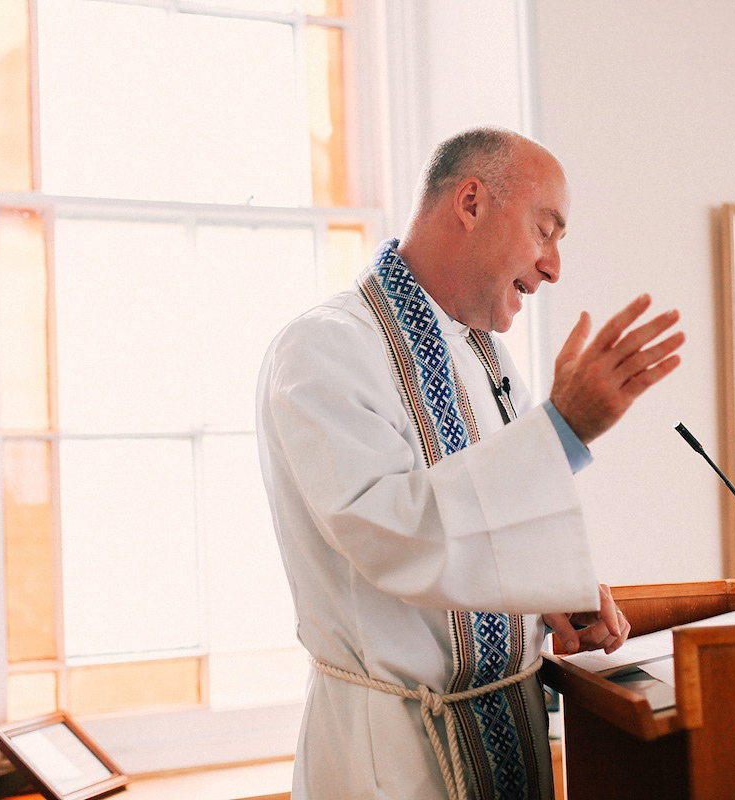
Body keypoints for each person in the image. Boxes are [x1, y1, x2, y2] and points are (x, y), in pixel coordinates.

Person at [255, 126, 684, 799]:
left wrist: (551, 601)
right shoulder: (323, 349)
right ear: (473, 201)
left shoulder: (482, 356)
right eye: (546, 230)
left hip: (508, 728)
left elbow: (487, 526)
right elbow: (398, 537)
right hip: (393, 757)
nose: (553, 266)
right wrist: (562, 430)